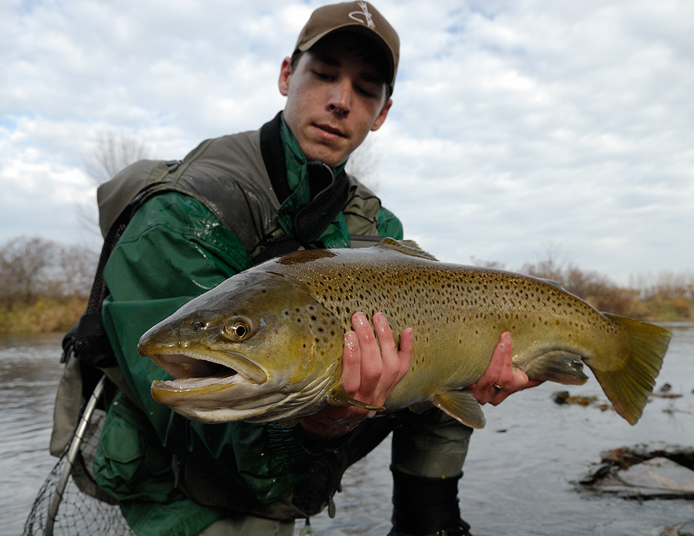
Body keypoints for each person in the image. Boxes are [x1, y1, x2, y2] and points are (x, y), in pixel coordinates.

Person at [88, 3, 539, 535]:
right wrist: (327, 420)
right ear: (286, 75)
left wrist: (471, 366)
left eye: (365, 89)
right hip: (181, 485)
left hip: (297, 462)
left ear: (383, 112)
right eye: (323, 74)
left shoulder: (373, 225)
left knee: (439, 348)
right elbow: (198, 422)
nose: (341, 101)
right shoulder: (185, 213)